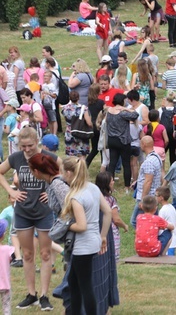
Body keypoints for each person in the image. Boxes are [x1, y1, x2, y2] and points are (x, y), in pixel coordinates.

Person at [0, 127, 57, 310]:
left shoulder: (47, 157)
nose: (26, 150)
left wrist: (51, 192)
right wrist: (11, 191)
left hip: (44, 212)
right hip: (23, 212)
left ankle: (44, 295)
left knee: (46, 253)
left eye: (30, 146)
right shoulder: (16, 158)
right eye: (23, 146)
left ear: (37, 141)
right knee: (27, 254)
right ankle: (31, 294)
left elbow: (64, 174)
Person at [60, 157, 112, 315]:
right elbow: (108, 212)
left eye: (63, 172)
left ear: (69, 173)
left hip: (83, 246)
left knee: (85, 286)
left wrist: (67, 225)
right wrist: (102, 236)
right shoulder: (92, 188)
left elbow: (81, 226)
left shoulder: (76, 196)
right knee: (73, 283)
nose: (62, 176)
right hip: (93, 241)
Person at [105, 93, 139, 188]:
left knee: (112, 163)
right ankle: (127, 186)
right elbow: (135, 115)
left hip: (112, 140)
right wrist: (127, 109)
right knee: (126, 164)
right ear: (122, 101)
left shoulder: (109, 111)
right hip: (123, 140)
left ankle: (109, 184)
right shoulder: (123, 113)